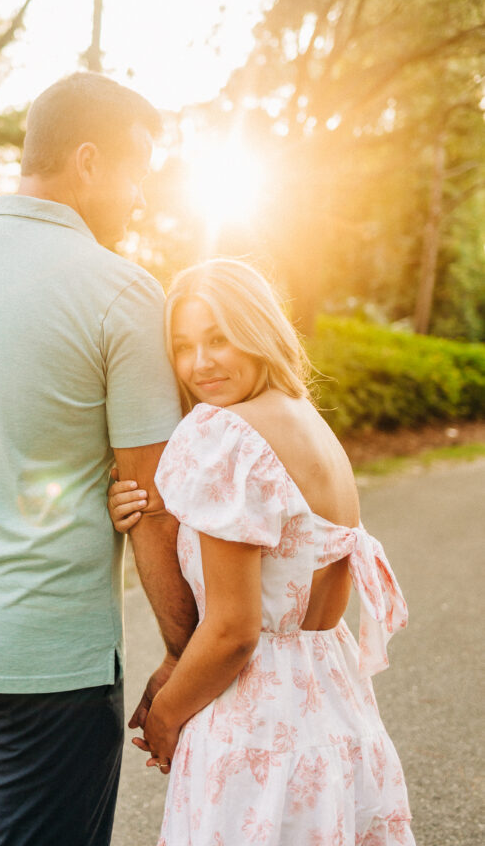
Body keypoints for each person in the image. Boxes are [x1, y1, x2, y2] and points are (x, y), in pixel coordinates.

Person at [0, 72, 197, 846]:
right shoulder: (121, 292)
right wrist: (183, 658)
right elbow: (146, 496)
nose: (139, 200)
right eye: (136, 174)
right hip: (49, 664)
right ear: (88, 162)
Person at [108, 258, 416, 846]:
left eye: (219, 337)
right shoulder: (311, 424)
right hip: (337, 712)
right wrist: (150, 510)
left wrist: (167, 717)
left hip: (257, 729)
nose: (201, 363)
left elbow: (234, 631)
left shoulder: (224, 436)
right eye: (183, 345)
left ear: (260, 331)